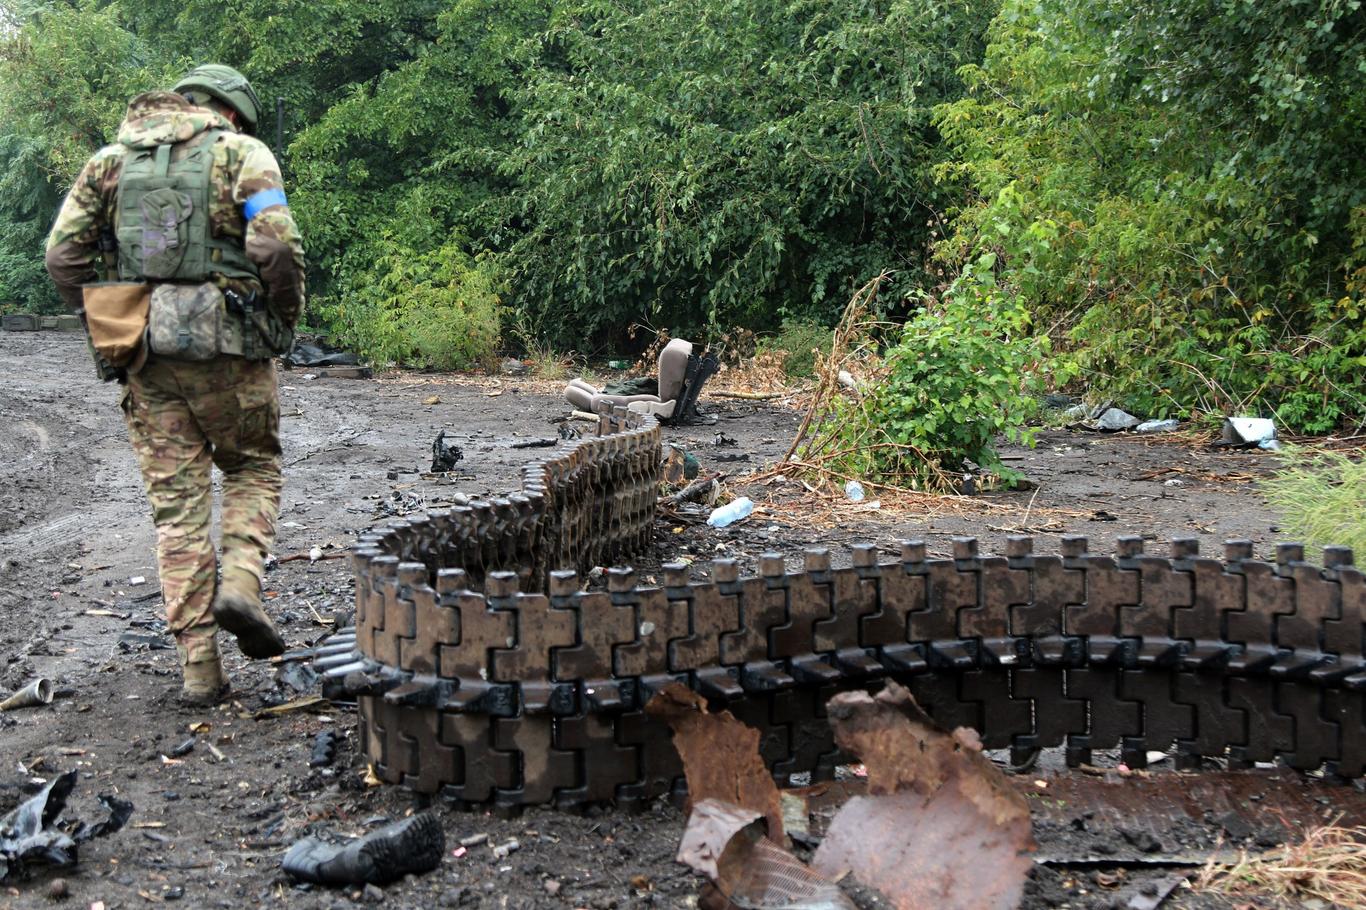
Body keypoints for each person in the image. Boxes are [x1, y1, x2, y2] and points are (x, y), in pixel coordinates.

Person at [44, 64, 306, 704]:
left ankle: (199, 672)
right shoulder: (243, 153)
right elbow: (275, 247)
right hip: (231, 348)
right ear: (231, 111)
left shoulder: (110, 163)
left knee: (177, 510)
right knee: (251, 466)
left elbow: (61, 256)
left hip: (146, 353)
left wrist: (104, 312)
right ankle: (241, 582)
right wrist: (284, 317)